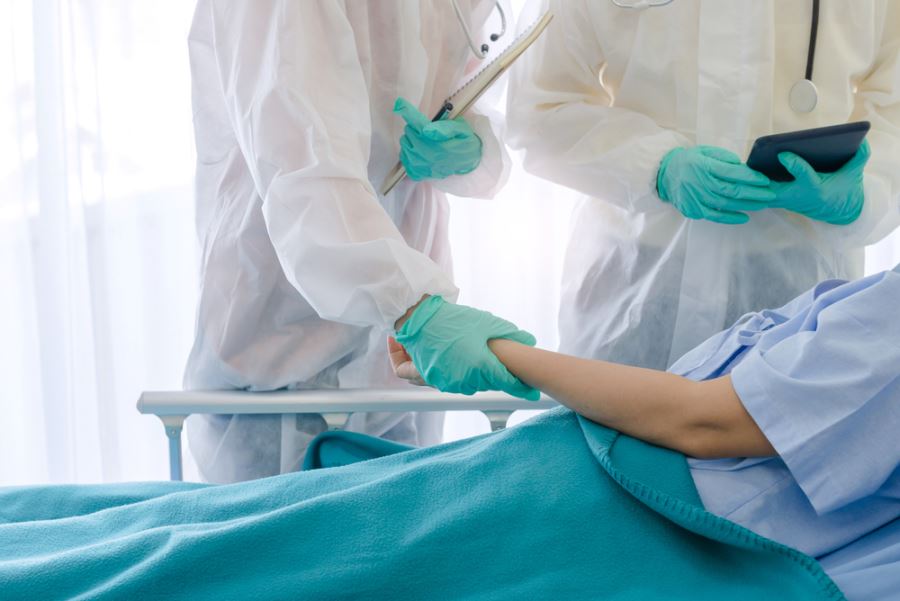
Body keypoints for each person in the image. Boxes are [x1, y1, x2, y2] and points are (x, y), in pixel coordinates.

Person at [2, 265, 897, 599]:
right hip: (606, 493)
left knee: (226, 550)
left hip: (619, 519)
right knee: (218, 529)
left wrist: (507, 357)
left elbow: (708, 419)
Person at [183, 0, 536, 484]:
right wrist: (412, 306)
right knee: (282, 526)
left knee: (403, 520)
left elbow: (469, 89)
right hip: (282, 335)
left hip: (397, 355)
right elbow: (303, 167)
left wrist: (472, 145)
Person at [507, 0, 900, 370]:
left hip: (803, 286)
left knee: (792, 413)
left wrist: (869, 193)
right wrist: (655, 166)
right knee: (614, 419)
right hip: (635, 284)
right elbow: (541, 108)